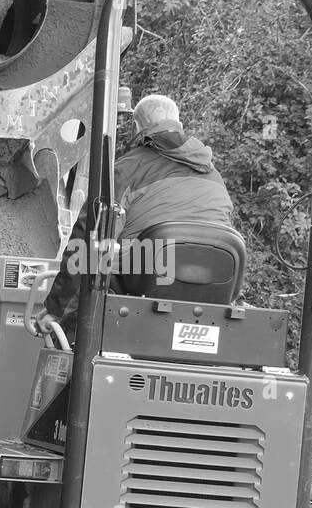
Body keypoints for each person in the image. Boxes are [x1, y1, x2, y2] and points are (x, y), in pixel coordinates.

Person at [35, 94, 234, 338]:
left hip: (145, 288)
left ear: (137, 127)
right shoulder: (214, 176)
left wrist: (56, 309)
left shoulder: (127, 169)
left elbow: (91, 241)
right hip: (212, 293)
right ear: (178, 122)